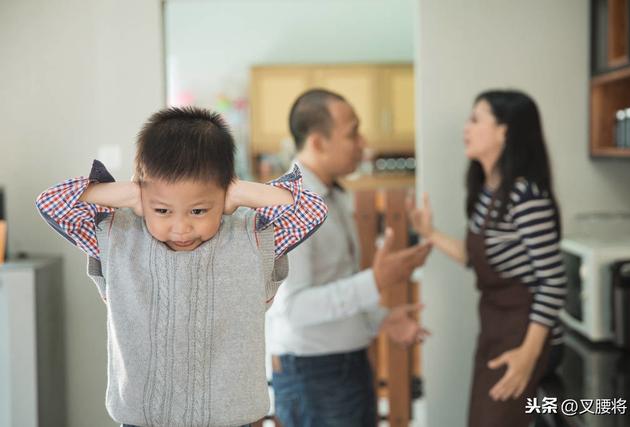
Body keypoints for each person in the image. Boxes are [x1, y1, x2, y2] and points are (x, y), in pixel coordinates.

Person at [35, 106, 328, 427]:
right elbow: (52, 201)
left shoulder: (252, 234)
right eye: (162, 210)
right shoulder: (118, 234)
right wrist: (134, 193)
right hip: (142, 420)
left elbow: (310, 209)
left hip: (233, 421)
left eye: (199, 210)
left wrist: (237, 190)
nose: (181, 227)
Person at [267, 89, 432, 427]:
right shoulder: (290, 203)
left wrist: (380, 318)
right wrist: (376, 280)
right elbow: (295, 308)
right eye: (352, 132)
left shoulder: (334, 196)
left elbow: (336, 283)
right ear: (317, 142)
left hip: (343, 364)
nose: (363, 141)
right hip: (315, 373)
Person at [408, 90, 567, 427]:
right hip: (496, 328)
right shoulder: (488, 191)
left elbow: (552, 281)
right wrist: (430, 232)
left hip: (525, 336)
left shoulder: (525, 196)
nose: (466, 127)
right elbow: (478, 258)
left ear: (504, 131)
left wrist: (528, 356)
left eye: (475, 119)